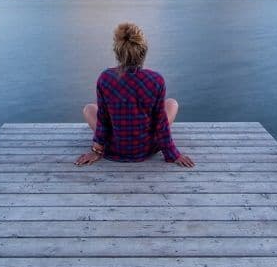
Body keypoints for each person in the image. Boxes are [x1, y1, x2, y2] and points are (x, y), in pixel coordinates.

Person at [75, 22, 195, 168]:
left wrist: (96, 151)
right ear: (143, 51)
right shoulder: (156, 80)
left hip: (114, 147)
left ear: (117, 52)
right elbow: (161, 123)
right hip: (146, 148)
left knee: (89, 108)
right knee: (172, 103)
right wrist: (173, 154)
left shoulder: (105, 78)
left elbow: (103, 121)